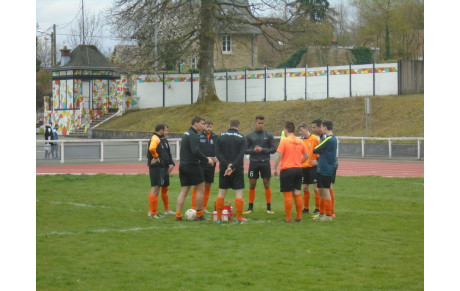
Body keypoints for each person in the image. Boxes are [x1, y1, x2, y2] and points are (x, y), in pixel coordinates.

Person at [175, 116, 215, 221]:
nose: (203, 126)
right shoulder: (193, 135)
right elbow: (195, 151)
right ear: (195, 123)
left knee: (184, 191)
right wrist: (207, 160)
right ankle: (199, 215)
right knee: (201, 189)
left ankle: (178, 216)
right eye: (202, 123)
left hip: (183, 166)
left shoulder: (186, 133)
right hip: (192, 166)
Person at [273, 121, 308, 223]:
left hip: (287, 169)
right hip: (298, 169)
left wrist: (274, 169)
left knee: (287, 194)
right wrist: (299, 162)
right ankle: (299, 217)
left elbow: (279, 156)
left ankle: (288, 218)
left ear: (286, 130)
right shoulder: (300, 141)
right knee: (297, 192)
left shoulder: (284, 141)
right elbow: (306, 155)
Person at [215, 119, 247, 224]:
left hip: (224, 169)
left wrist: (226, 165)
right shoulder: (242, 138)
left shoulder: (220, 137)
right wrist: (232, 166)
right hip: (237, 169)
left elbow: (218, 153)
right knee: (238, 194)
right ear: (239, 126)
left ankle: (219, 219)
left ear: (229, 126)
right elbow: (241, 155)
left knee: (221, 192)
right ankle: (238, 219)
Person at [244, 115, 277, 214]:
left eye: (262, 123)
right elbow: (245, 150)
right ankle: (250, 208)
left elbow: (273, 149)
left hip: (265, 162)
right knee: (252, 184)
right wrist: (253, 150)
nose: (260, 125)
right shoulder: (250, 135)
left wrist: (263, 150)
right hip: (253, 162)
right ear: (255, 123)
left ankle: (269, 208)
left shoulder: (268, 135)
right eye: (259, 123)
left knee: (267, 184)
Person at [147, 123, 175, 219]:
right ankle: (153, 213)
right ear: (161, 130)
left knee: (160, 188)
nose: (167, 132)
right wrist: (156, 157)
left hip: (163, 167)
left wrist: (171, 164)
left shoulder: (163, 140)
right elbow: (151, 148)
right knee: (155, 189)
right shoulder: (155, 138)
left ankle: (159, 211)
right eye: (166, 130)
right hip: (157, 168)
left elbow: (168, 153)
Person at [311, 119, 337, 219]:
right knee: (321, 190)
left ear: (325, 127)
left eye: (322, 127)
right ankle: (321, 214)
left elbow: (315, 149)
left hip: (326, 168)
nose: (321, 129)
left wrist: (321, 151)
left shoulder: (329, 138)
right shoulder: (332, 138)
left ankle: (329, 215)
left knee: (325, 190)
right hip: (322, 167)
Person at [191, 120, 218, 214]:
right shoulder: (198, 136)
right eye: (207, 126)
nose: (209, 128)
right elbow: (196, 150)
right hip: (201, 164)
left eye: (210, 127)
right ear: (204, 127)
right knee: (198, 186)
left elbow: (219, 149)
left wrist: (216, 157)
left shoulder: (215, 137)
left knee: (208, 185)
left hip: (211, 165)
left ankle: (203, 207)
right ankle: (194, 207)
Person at [298, 122, 320, 214]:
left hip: (313, 166)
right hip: (304, 167)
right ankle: (306, 208)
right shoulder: (301, 140)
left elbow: (321, 151)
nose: (300, 132)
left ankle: (317, 208)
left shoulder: (315, 139)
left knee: (315, 188)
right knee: (305, 187)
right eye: (299, 130)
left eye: (301, 130)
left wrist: (317, 160)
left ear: (307, 129)